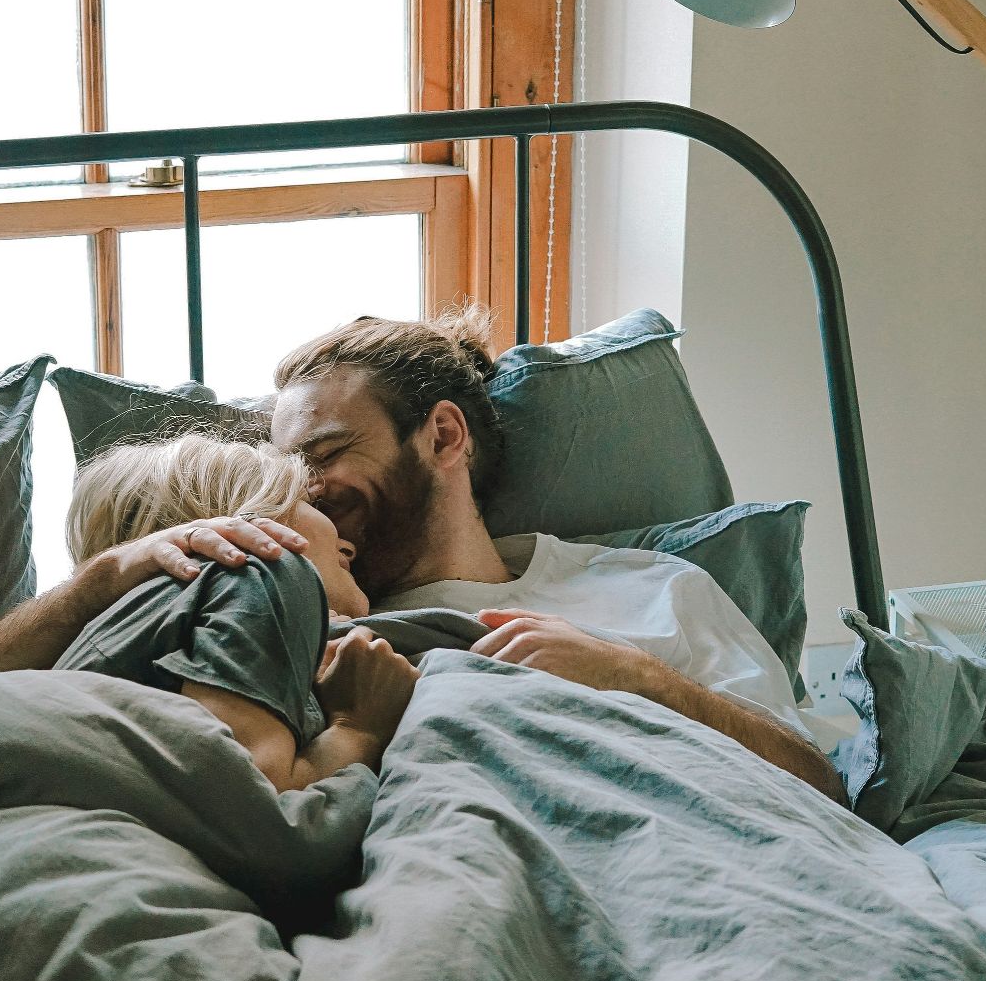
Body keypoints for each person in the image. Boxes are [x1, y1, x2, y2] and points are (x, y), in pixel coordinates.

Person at [269, 307, 846, 803]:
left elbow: (820, 786)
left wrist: (633, 676)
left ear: (444, 435)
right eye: (288, 472)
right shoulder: (298, 608)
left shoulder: (653, 588)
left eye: (327, 453)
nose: (304, 490)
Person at [0, 433, 417, 793]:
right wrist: (359, 730)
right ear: (241, 518)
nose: (347, 541)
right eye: (312, 506)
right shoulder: (256, 575)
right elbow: (256, 805)